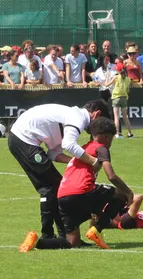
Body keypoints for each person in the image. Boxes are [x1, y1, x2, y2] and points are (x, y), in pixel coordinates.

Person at [11, 100, 110, 251]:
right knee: (49, 187)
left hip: (22, 139)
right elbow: (69, 144)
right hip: (24, 140)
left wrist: (77, 161)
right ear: (96, 114)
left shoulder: (70, 117)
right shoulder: (78, 117)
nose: (97, 132)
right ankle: (47, 235)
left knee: (56, 185)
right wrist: (92, 161)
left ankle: (63, 235)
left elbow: (53, 153)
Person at [55, 117, 133, 251]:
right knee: (120, 195)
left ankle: (38, 242)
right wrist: (129, 192)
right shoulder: (101, 148)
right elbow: (112, 176)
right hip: (81, 192)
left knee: (72, 243)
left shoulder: (84, 148)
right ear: (107, 137)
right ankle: (97, 230)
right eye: (112, 139)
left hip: (62, 197)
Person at [107, 66, 134, 139]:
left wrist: (108, 76)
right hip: (124, 98)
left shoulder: (116, 77)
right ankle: (130, 133)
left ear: (118, 71)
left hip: (116, 97)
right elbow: (128, 90)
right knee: (125, 117)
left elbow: (107, 84)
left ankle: (117, 133)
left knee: (116, 116)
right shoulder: (128, 79)